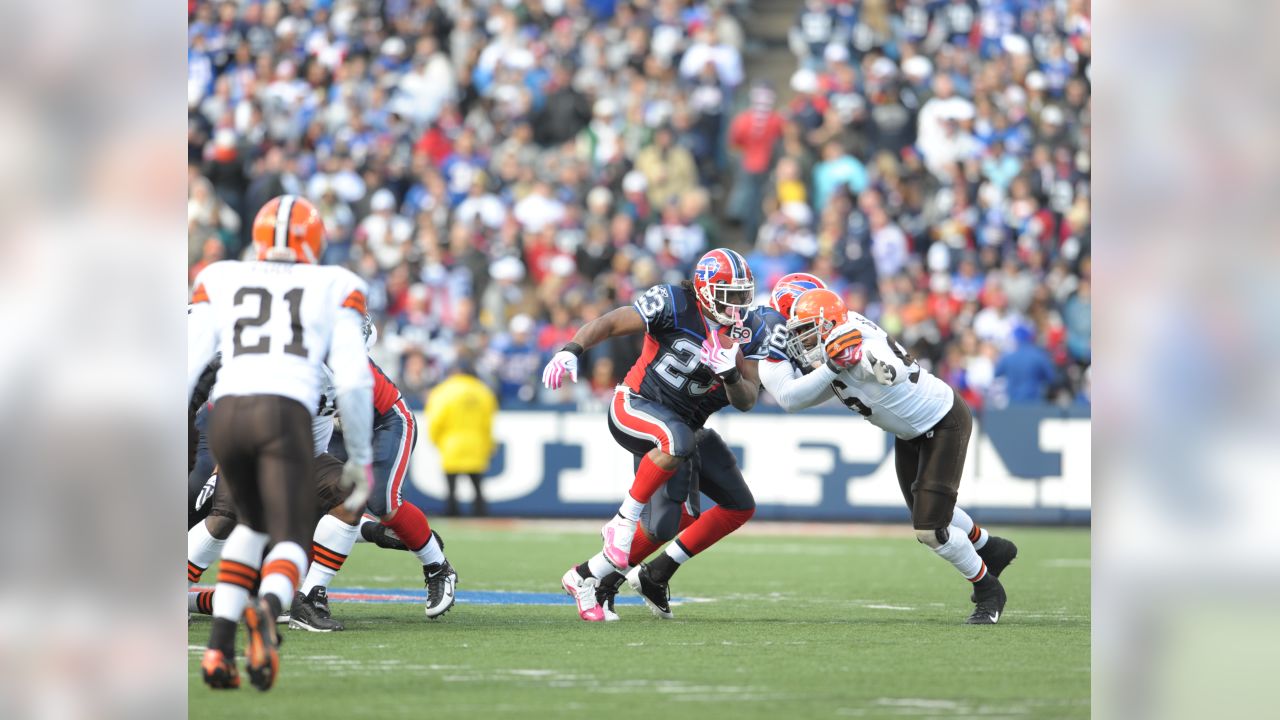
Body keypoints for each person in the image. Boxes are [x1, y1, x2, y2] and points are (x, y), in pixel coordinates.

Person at [187, 194, 375, 690]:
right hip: (283, 412)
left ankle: (219, 650)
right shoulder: (336, 283)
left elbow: (187, 367)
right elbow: (355, 382)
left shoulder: (221, 275)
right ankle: (269, 610)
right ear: (315, 239)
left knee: (249, 526)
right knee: (289, 536)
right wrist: (357, 455)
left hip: (226, 415)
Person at [758, 285, 1018, 625]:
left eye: (807, 332)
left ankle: (988, 590)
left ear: (827, 324)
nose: (802, 341)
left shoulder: (856, 340)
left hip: (943, 422)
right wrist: (834, 366)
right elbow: (797, 396)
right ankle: (991, 547)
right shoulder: (836, 346)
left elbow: (889, 371)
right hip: (910, 432)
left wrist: (865, 363)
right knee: (930, 510)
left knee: (930, 528)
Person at [542, 248, 768, 622]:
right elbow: (614, 322)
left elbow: (746, 399)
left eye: (744, 294)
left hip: (685, 426)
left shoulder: (751, 330)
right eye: (731, 294)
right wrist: (572, 349)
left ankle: (590, 577)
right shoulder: (675, 303)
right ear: (706, 291)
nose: (739, 304)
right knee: (675, 441)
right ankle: (621, 523)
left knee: (715, 510)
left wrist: (730, 374)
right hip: (637, 404)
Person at [426, 358, 498, 516]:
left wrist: (435, 439)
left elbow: (436, 420)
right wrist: (489, 444)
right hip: (477, 443)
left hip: (452, 443)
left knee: (451, 486)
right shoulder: (483, 391)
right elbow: (488, 423)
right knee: (477, 484)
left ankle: (452, 513)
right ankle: (480, 514)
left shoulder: (443, 391)